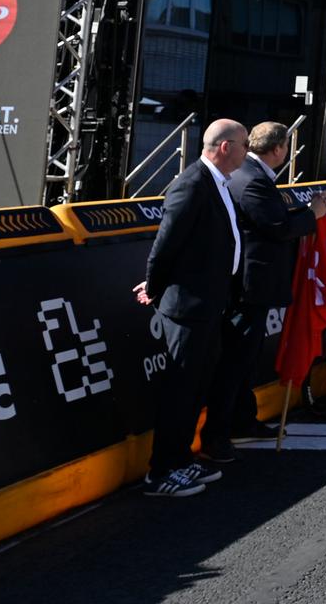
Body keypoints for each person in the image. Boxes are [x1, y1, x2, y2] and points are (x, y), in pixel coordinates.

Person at [135, 119, 248, 497]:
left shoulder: (217, 184)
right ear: (226, 147)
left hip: (210, 305)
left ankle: (181, 460)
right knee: (181, 390)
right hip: (187, 308)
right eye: (245, 144)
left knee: (197, 387)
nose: (249, 151)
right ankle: (161, 471)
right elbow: (166, 243)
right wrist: (154, 286)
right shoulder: (192, 183)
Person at [210, 122, 326, 449]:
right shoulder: (252, 180)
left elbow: (272, 218)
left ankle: (241, 419)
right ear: (279, 149)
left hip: (251, 284)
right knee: (236, 361)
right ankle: (221, 433)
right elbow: (276, 227)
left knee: (244, 360)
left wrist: (304, 213)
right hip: (250, 286)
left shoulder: (251, 175)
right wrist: (313, 215)